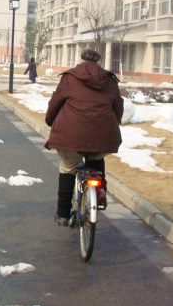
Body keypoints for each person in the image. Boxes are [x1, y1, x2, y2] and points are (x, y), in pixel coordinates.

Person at [44, 48, 123, 226]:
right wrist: (114, 123)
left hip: (70, 135)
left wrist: (50, 120)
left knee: (68, 167)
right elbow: (118, 107)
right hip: (103, 135)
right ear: (98, 62)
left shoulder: (70, 77)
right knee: (96, 159)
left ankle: (63, 214)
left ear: (81, 60)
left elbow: (56, 102)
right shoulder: (109, 80)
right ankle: (100, 195)